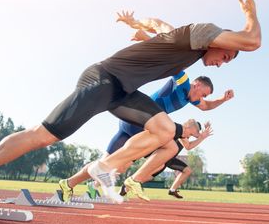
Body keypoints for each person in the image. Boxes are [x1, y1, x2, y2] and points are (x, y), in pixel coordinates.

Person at [0, 0, 261, 212]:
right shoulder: (203, 31)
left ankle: (105, 167)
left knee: (166, 131)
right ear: (217, 40)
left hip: (123, 91)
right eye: (227, 55)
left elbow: (160, 24)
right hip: (103, 79)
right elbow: (252, 41)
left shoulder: (188, 50)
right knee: (43, 136)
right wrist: (251, 17)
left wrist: (139, 26)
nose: (223, 61)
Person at [58, 68, 231, 202]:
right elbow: (171, 58)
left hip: (131, 122)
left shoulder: (191, 99)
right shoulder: (183, 81)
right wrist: (147, 33)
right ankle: (135, 180)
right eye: (204, 93)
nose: (203, 98)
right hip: (141, 122)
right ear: (197, 85)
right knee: (170, 147)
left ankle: (69, 184)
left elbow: (206, 106)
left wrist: (222, 100)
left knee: (107, 163)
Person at [121, 121, 213, 201]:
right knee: (147, 175)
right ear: (191, 127)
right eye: (196, 131)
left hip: (169, 158)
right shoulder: (182, 133)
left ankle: (171, 190)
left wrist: (203, 134)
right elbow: (189, 146)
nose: (192, 135)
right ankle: (126, 187)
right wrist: (202, 136)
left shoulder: (184, 135)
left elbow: (191, 143)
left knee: (149, 176)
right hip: (164, 156)